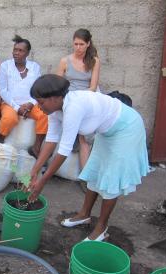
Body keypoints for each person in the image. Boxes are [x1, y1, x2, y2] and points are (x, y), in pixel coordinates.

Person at [27, 74, 149, 241]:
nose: (38, 106)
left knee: (110, 179)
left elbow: (64, 150)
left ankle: (101, 228)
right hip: (107, 132)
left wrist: (42, 181)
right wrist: (35, 170)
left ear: (55, 98)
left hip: (126, 129)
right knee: (95, 171)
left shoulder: (73, 107)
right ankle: (84, 214)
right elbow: (51, 140)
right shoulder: (54, 109)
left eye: (41, 102)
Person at [56, 28, 101, 170]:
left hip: (86, 98)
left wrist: (78, 100)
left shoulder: (94, 61)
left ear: (88, 44)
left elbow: (93, 87)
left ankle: (85, 177)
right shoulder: (65, 61)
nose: (78, 47)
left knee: (84, 138)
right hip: (69, 99)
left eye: (81, 44)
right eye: (75, 44)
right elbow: (57, 84)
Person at [0, 35, 47, 157]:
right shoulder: (5, 66)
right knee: (10, 118)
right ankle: (0, 138)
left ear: (27, 53)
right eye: (15, 50)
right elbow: (2, 90)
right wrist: (17, 108)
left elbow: (38, 88)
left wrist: (30, 103)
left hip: (30, 104)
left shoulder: (35, 67)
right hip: (10, 103)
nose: (16, 53)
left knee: (44, 114)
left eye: (20, 50)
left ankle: (36, 147)